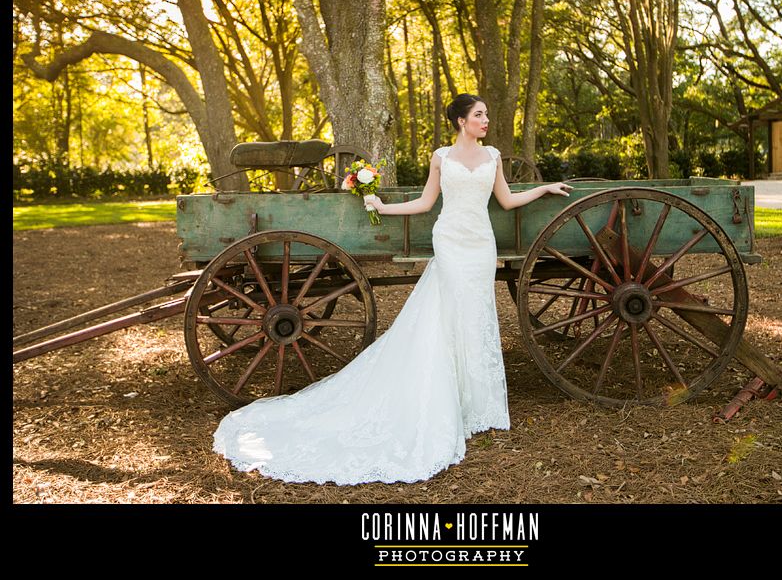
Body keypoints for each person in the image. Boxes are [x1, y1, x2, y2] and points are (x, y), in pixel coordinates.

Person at [213, 94, 573, 485]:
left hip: (481, 246)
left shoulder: (494, 157)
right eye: (479, 115)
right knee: (450, 313)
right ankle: (445, 401)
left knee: (477, 316)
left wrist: (544, 189)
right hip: (451, 242)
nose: (486, 120)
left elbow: (505, 200)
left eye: (485, 113)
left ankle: (478, 407)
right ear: (461, 121)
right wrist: (383, 208)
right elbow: (425, 202)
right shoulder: (441, 157)